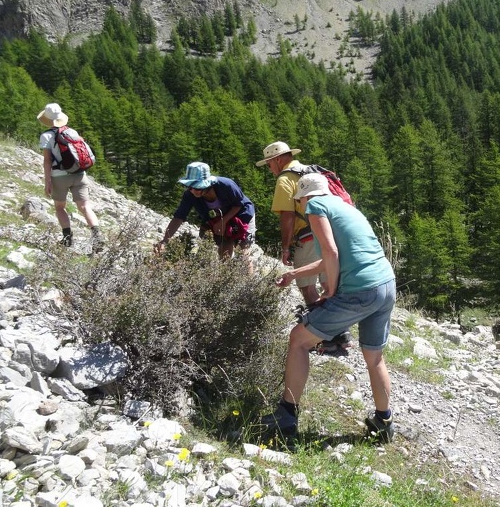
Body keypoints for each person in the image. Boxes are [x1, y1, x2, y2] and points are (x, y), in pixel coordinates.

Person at [261, 173, 397, 442]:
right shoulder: (345, 207)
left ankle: (286, 417)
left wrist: (331, 293)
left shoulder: (315, 206)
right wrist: (295, 274)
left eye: (298, 201)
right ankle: (384, 423)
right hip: (385, 284)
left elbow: (331, 253)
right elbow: (332, 257)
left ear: (303, 197)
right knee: (374, 358)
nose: (300, 206)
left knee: (298, 340)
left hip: (360, 290)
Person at [256, 141, 351, 353]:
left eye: (269, 164)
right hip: (329, 234)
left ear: (278, 159)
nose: (269, 169)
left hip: (307, 237)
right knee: (329, 285)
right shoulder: (309, 172)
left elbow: (287, 216)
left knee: (307, 287)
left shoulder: (285, 179)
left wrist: (286, 247)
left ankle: (323, 335)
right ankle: (341, 333)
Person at [155, 162, 256, 260]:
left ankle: (248, 275)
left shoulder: (226, 185)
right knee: (224, 248)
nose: (193, 191)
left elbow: (239, 204)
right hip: (215, 219)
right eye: (190, 187)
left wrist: (223, 221)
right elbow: (179, 217)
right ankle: (225, 272)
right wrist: (165, 241)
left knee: (243, 251)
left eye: (197, 187)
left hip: (242, 215)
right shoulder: (189, 195)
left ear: (207, 184)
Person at [38, 103, 103, 251]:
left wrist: (47, 181)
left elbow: (47, 160)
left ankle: (67, 239)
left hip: (59, 176)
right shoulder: (71, 131)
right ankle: (98, 237)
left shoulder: (46, 136)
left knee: (60, 207)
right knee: (85, 207)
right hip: (79, 174)